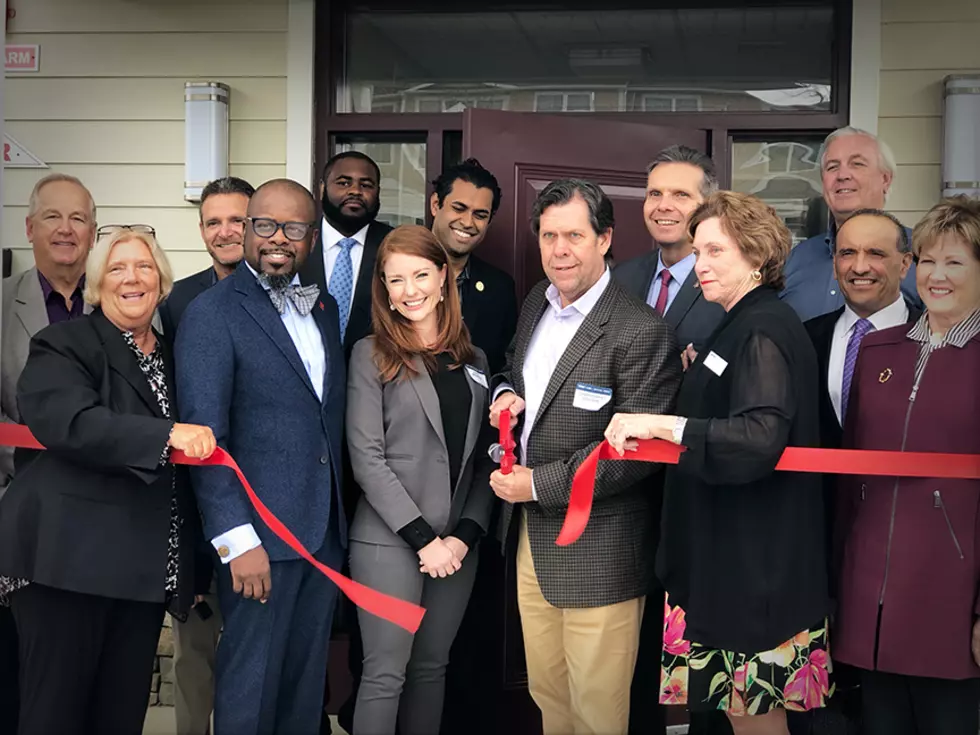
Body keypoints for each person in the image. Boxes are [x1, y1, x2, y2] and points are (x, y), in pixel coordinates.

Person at [605, 191, 831, 735]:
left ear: (756, 256)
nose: (700, 264)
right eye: (697, 251)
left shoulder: (763, 326)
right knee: (737, 714)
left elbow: (757, 437)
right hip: (730, 563)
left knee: (752, 716)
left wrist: (660, 424)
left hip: (752, 569)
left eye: (715, 252)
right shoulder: (737, 323)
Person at [0, 226, 216, 735]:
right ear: (96, 286)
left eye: (144, 267)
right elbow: (70, 423)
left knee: (119, 717)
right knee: (55, 714)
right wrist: (168, 433)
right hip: (66, 563)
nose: (132, 278)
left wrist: (194, 564)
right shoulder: (63, 342)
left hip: (141, 573)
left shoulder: (174, 353)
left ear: (162, 283)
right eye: (116, 269)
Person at [488, 179, 682, 735]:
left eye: (574, 234)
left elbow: (639, 453)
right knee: (550, 700)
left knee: (598, 714)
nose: (559, 249)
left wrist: (538, 485)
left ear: (605, 239)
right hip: (531, 544)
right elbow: (511, 368)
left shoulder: (639, 330)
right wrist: (504, 392)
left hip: (601, 550)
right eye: (549, 235)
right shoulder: (536, 305)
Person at [175, 179, 347, 735]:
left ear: (312, 238)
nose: (278, 239)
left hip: (322, 533)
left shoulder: (323, 306)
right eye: (266, 225)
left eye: (294, 228)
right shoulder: (211, 314)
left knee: (303, 687)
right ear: (247, 229)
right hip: (259, 541)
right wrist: (235, 539)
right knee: (250, 688)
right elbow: (204, 440)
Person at [833, 196, 980, 735]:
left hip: (951, 594)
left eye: (955, 262)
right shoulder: (880, 350)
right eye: (927, 261)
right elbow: (854, 478)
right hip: (869, 590)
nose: (936, 276)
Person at [345, 224, 496, 735]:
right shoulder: (370, 354)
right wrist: (423, 540)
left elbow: (482, 459)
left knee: (432, 670)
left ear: (442, 277)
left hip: (456, 546)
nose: (408, 291)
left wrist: (462, 537)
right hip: (389, 542)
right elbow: (366, 458)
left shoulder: (474, 360)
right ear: (382, 289)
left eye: (418, 275)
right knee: (385, 674)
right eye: (394, 280)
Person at [0, 172, 98, 732]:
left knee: (87, 676)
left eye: (79, 218)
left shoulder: (119, 300)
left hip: (101, 525)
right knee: (28, 678)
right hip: (21, 517)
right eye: (54, 218)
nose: (66, 229)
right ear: (30, 227)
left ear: (93, 232)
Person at [159, 175, 254, 735]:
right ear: (201, 230)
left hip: (264, 498)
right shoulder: (178, 301)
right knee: (194, 647)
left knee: (257, 650)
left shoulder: (285, 291)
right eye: (213, 221)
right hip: (194, 497)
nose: (225, 231)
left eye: (237, 219)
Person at [781, 127, 920, 321]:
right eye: (832, 167)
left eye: (857, 164)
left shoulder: (922, 254)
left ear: (885, 180)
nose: (842, 175)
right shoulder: (797, 259)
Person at [614, 145, 725, 355]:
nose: (663, 205)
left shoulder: (727, 284)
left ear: (708, 206)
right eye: (655, 193)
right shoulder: (621, 277)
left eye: (681, 194)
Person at [429, 158, 517, 375]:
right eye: (459, 208)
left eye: (480, 215)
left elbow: (502, 367)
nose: (468, 222)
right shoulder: (392, 270)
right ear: (435, 205)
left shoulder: (500, 289)